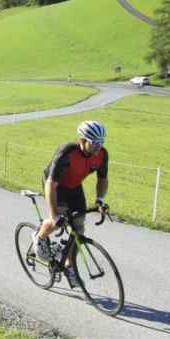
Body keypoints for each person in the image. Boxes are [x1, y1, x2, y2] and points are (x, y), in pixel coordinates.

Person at [32, 120, 110, 287]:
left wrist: (100, 201)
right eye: (95, 143)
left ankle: (69, 265)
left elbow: (102, 179)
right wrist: (54, 215)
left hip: (74, 187)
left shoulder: (102, 154)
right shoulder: (67, 152)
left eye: (102, 142)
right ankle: (39, 237)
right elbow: (51, 184)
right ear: (82, 140)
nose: (99, 147)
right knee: (57, 222)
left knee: (79, 228)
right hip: (55, 186)